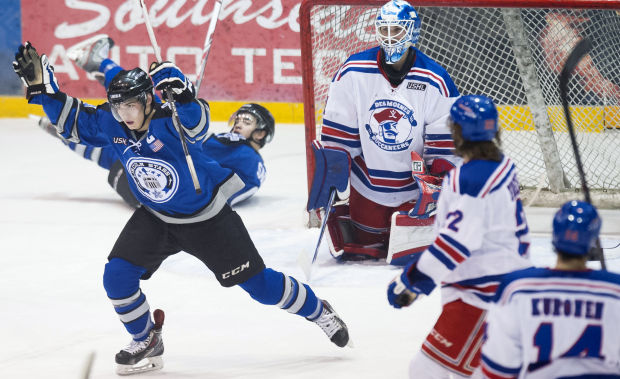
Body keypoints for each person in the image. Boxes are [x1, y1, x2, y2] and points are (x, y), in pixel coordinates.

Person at [13, 42, 350, 375]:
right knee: (116, 277)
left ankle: (318, 311)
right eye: (118, 109)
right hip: (156, 218)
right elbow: (75, 122)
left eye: (130, 106)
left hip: (209, 221)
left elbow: (198, 125)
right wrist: (43, 91)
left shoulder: (171, 120)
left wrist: (184, 93)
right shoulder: (113, 121)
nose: (124, 116)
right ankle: (146, 338)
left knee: (261, 287)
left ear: (148, 99)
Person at [386, 95, 533, 378]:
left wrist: (412, 280)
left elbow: (457, 242)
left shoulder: (470, 179)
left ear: (457, 132)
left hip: (482, 296)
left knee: (425, 371)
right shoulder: (502, 165)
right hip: (500, 289)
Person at [36, 35, 273, 207]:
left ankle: (67, 123)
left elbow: (234, 191)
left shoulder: (249, 158)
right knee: (135, 102)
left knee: (120, 138)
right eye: (238, 117)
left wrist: (204, 204)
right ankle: (68, 116)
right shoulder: (228, 145)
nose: (239, 123)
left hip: (165, 196)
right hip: (159, 181)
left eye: (248, 120)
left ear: (261, 134)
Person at [317, 0, 461, 262]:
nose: (390, 37)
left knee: (410, 254)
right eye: (384, 30)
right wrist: (330, 176)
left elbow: (444, 145)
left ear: (412, 32)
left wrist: (437, 184)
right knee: (365, 245)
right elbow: (339, 136)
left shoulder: (435, 79)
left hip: (414, 191)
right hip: (367, 185)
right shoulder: (353, 71)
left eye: (397, 30)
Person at [479, 200, 620, 378]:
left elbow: (497, 368)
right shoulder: (615, 291)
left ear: (554, 236)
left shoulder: (517, 289)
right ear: (592, 241)